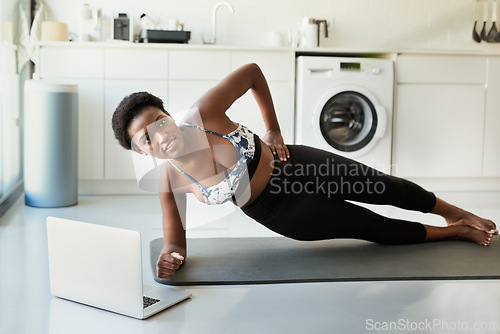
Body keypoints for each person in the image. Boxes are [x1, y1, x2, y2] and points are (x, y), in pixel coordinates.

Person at [112, 63, 497, 280]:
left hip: (298, 163)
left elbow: (252, 74)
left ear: (168, 115)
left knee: (386, 186)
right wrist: (171, 257)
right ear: (142, 152)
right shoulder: (170, 180)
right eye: (145, 139)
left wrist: (273, 129)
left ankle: (453, 211)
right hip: (282, 213)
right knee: (371, 228)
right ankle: (454, 232)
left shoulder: (204, 113)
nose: (159, 138)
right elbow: (175, 240)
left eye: (160, 122)